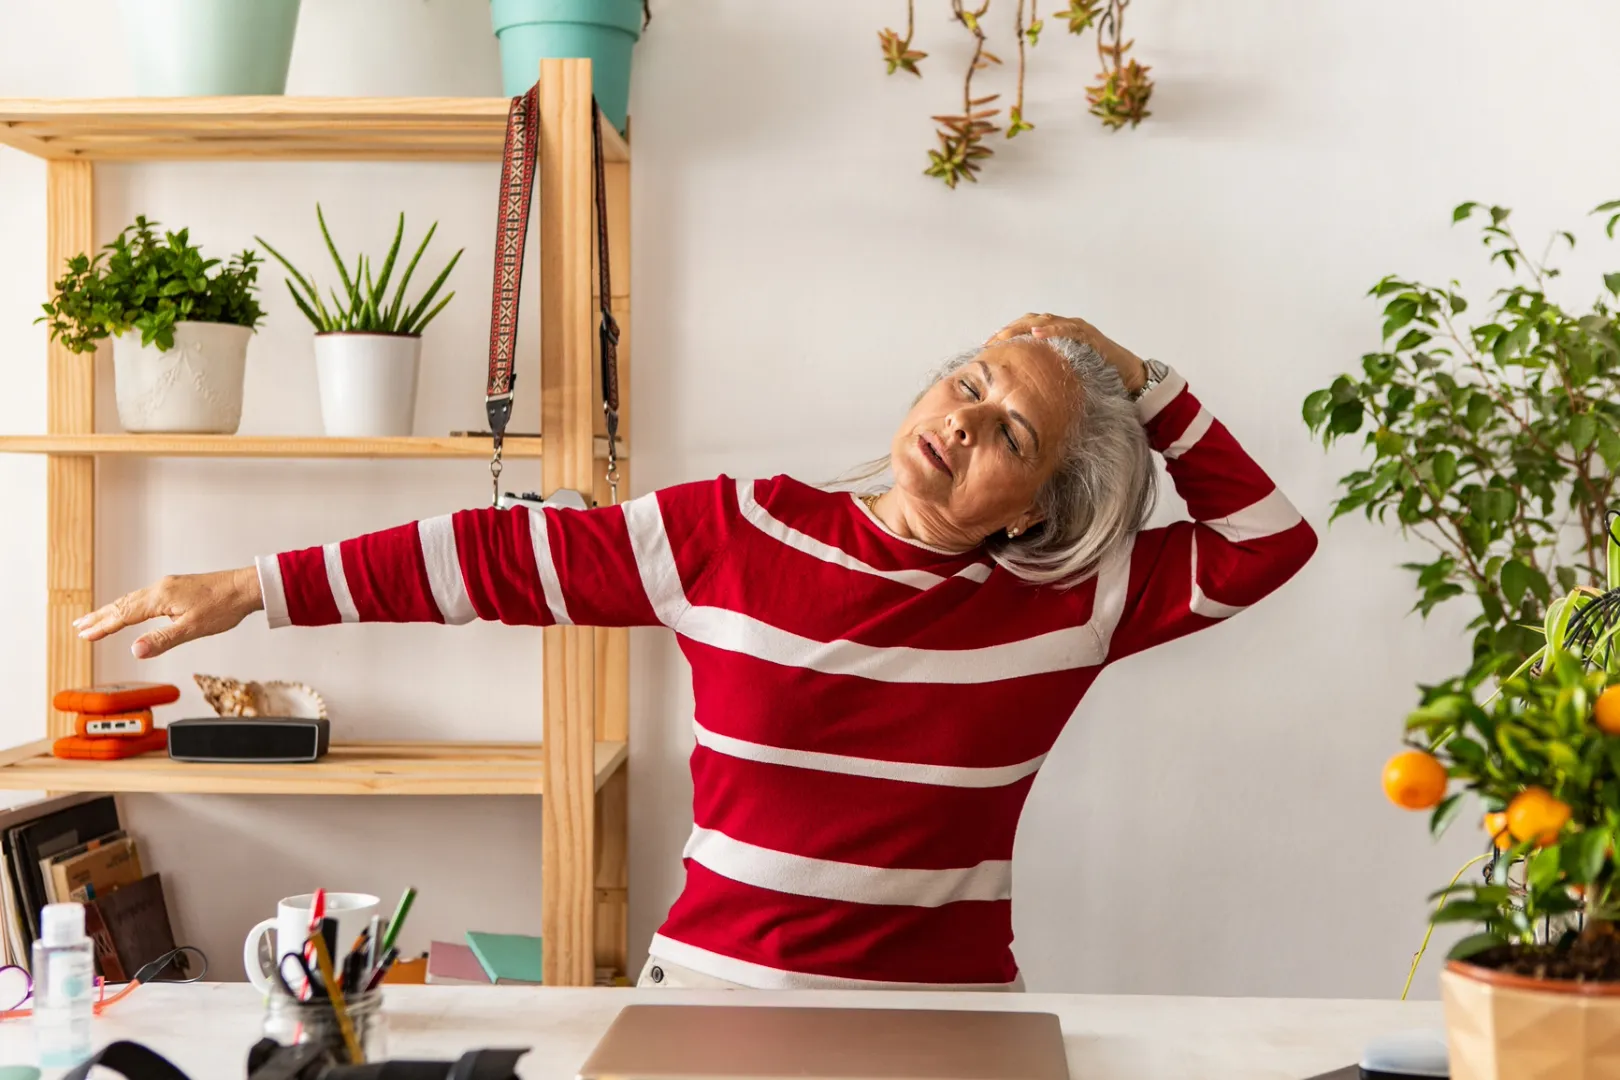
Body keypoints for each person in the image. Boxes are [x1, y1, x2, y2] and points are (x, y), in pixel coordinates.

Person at [76, 313, 1317, 991]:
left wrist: (1145, 379)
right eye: (968, 381)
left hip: (942, 1023)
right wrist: (249, 587)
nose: (963, 419)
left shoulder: (1075, 598)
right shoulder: (737, 529)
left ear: (1036, 504)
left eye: (1011, 430)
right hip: (718, 1000)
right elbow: (489, 561)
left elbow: (1270, 542)